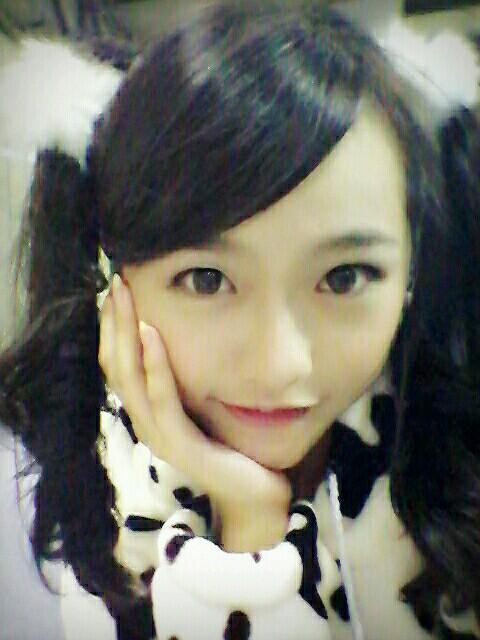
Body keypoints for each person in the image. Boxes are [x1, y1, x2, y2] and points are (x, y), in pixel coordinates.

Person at [0, 3, 479, 639]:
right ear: (115, 278)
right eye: (206, 279)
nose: (280, 365)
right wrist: (248, 524)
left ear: (412, 270)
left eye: (345, 277)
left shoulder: (458, 459)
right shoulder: (33, 502)